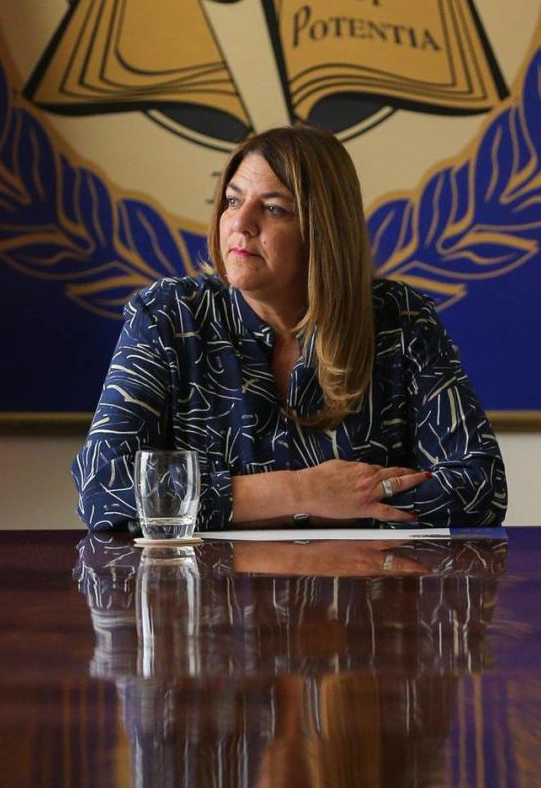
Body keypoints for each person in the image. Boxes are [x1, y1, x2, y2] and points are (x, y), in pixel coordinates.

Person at [72, 126, 507, 531]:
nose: (240, 224)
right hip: (205, 602)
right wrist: (305, 492)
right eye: (233, 200)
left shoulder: (401, 320)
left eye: (274, 208)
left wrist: (344, 503)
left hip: (363, 603)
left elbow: (481, 486)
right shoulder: (169, 315)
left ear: (323, 232)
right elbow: (103, 486)